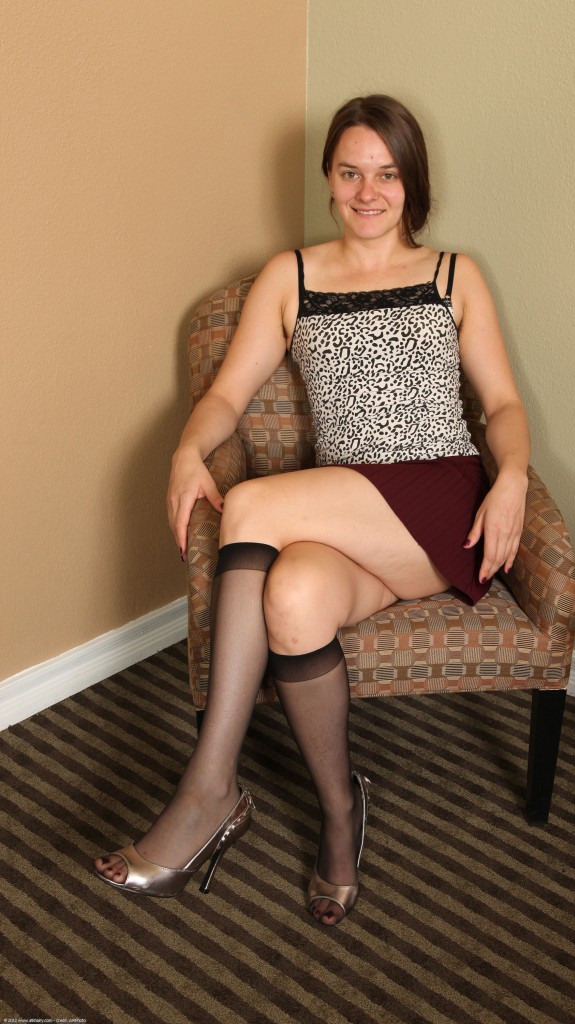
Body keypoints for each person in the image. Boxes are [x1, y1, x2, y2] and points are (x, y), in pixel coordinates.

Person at [95, 94, 530, 926]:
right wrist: (188, 450)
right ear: (328, 178)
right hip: (346, 515)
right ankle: (340, 811)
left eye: (388, 175)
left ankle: (210, 787)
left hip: (440, 503)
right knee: (291, 600)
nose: (369, 192)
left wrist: (510, 475)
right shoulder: (289, 276)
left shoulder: (454, 274)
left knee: (252, 505)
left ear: (414, 182)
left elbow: (503, 405)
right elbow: (227, 396)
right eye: (351, 173)